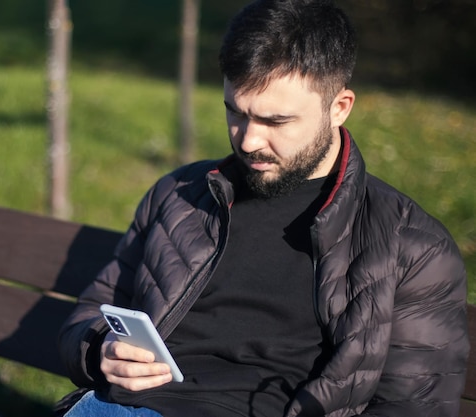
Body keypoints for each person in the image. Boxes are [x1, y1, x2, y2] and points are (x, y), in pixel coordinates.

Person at [56, 0, 469, 416]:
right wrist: (99, 352)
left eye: (275, 122)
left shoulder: (411, 246)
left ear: (339, 108)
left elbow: (414, 407)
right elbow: (96, 309)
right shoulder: (180, 195)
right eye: (235, 112)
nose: (248, 140)